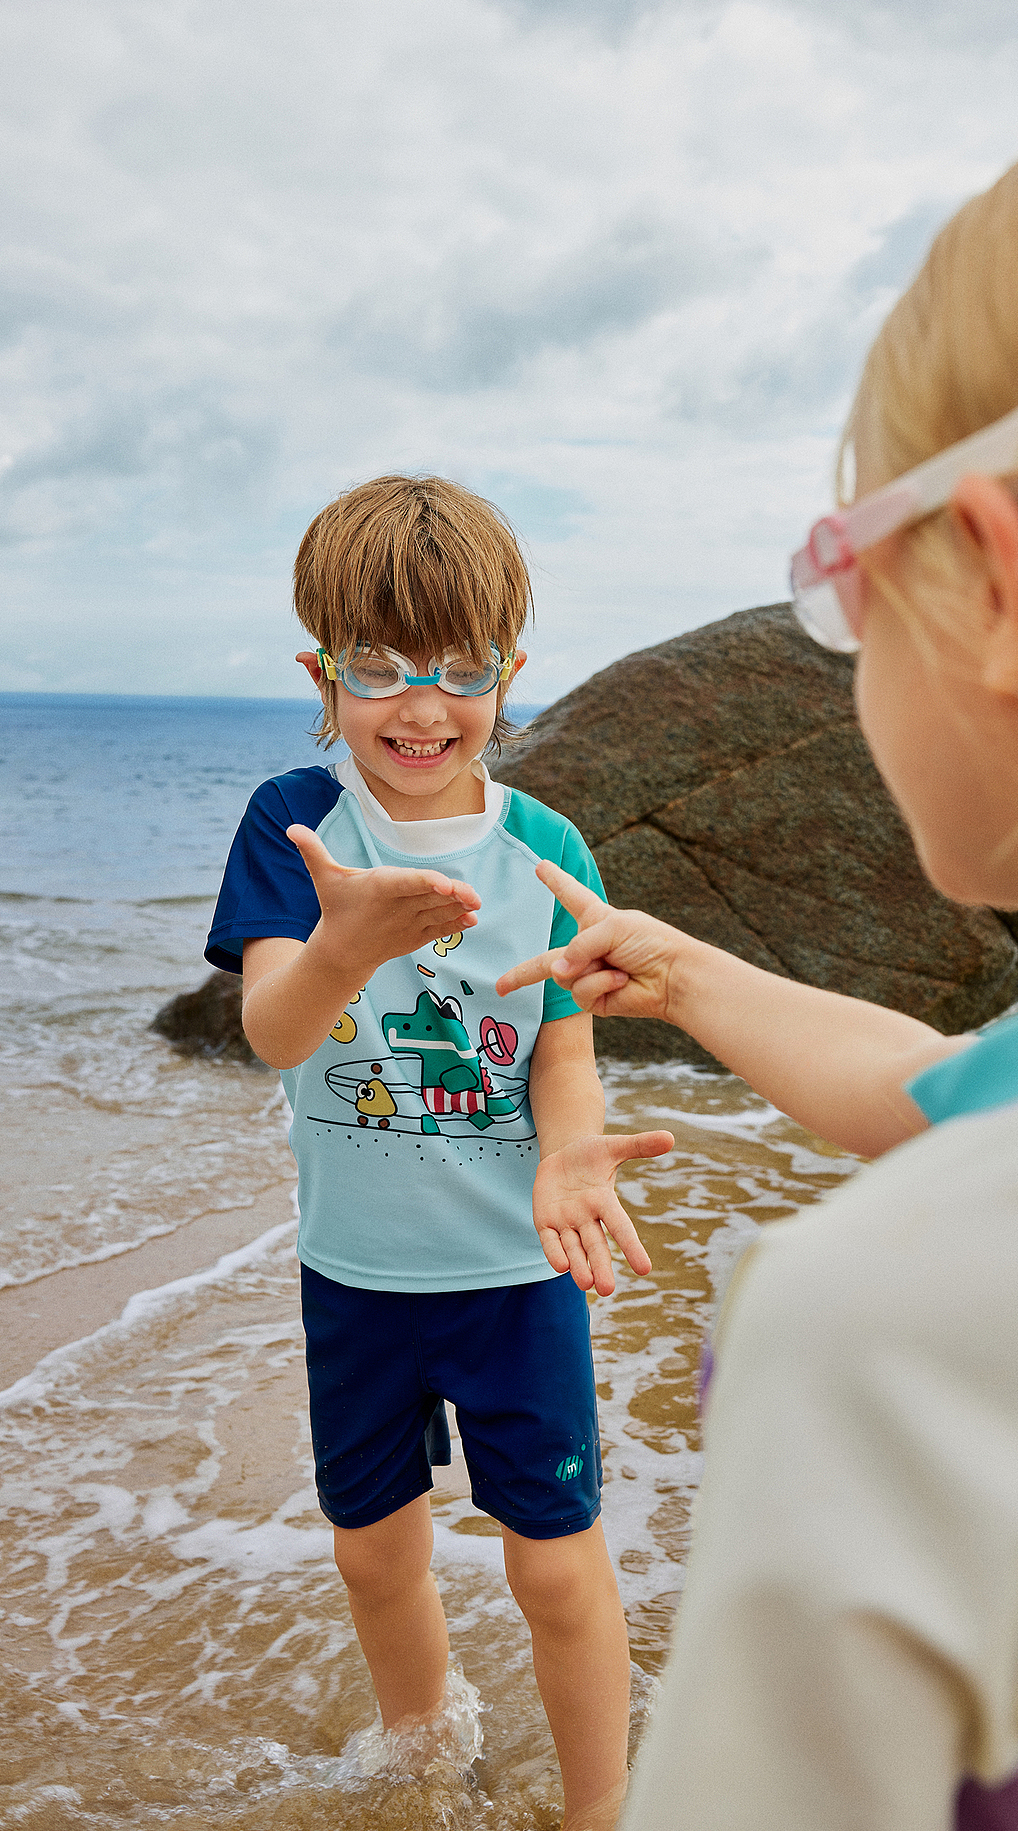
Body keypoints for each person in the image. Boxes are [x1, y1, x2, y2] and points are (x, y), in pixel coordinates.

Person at [498, 50, 1018, 1829]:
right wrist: (691, 974)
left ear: (1006, 586)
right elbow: (946, 1086)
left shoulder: (892, 1321)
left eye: (845, 583)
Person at [205, 475, 672, 1831]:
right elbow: (277, 1032)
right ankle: (424, 1762)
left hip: (514, 1272)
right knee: (371, 1552)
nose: (421, 705)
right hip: (356, 1273)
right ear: (322, 673)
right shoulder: (296, 826)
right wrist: (344, 944)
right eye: (379, 667)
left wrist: (570, 1156)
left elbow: (562, 1048)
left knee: (554, 1566)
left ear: (510, 672)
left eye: (460, 667)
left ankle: (600, 1810)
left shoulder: (545, 848)